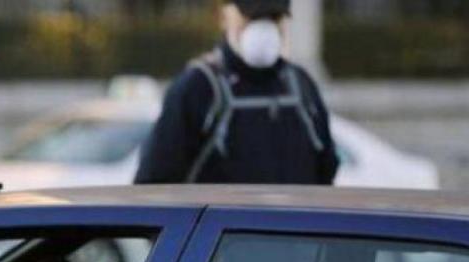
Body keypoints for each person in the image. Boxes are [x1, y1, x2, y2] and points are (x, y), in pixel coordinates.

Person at [134, 0, 339, 185]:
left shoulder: (301, 86)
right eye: (252, 17)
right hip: (224, 227)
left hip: (292, 226)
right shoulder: (199, 86)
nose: (263, 27)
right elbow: (155, 180)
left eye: (273, 17)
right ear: (225, 17)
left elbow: (326, 171)